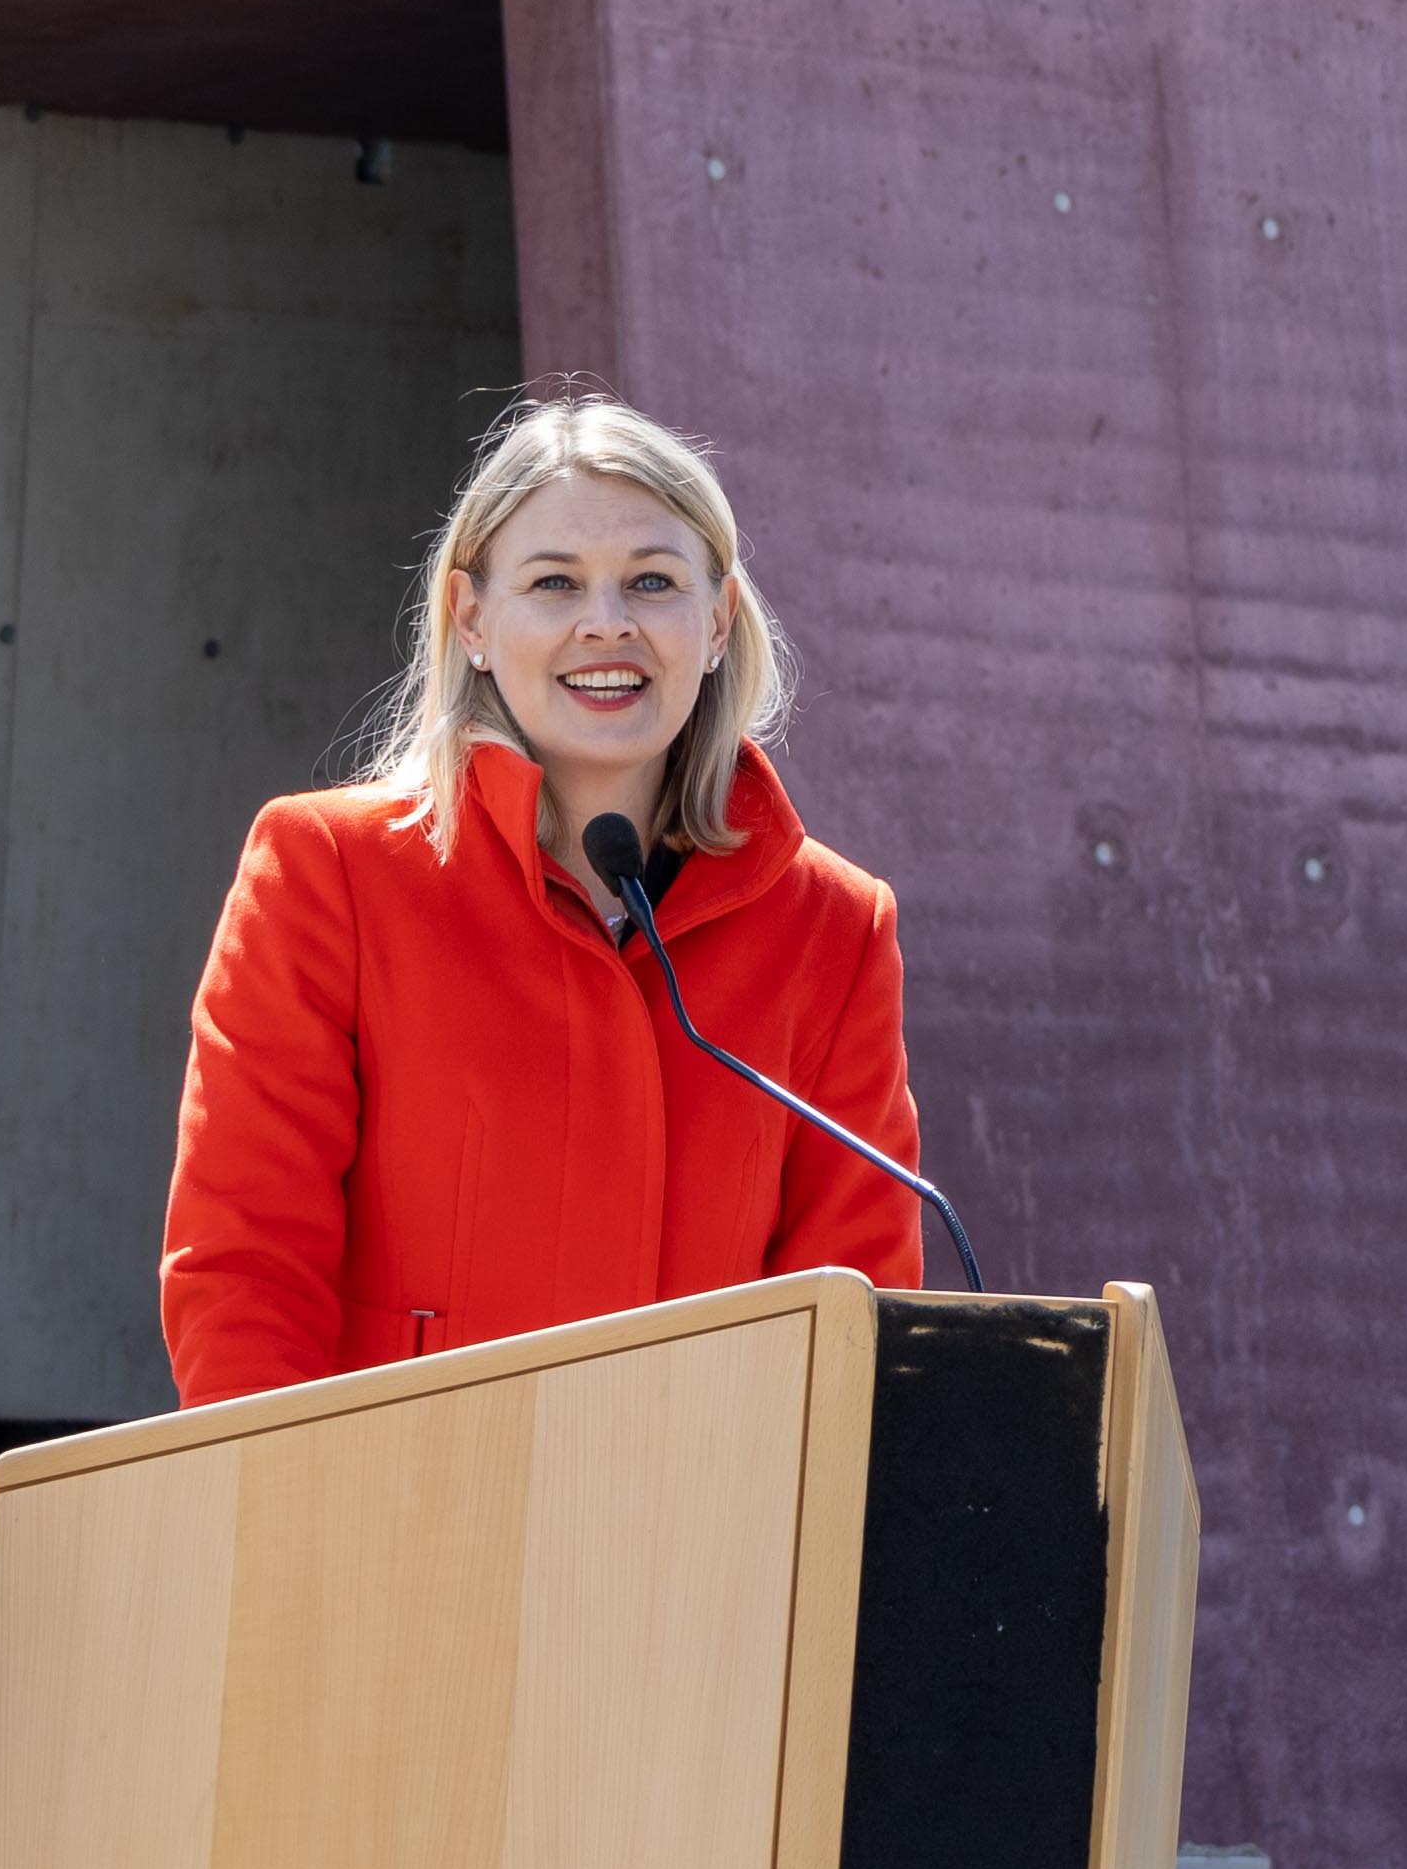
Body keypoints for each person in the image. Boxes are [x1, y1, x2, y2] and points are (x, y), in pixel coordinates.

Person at [157, 389, 925, 1407]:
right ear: (471, 618)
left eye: (652, 581)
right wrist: (303, 1542)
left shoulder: (831, 927)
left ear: (716, 619)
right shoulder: (327, 873)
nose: (605, 625)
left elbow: (853, 1313)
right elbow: (243, 1272)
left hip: (700, 1547)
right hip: (395, 1533)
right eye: (554, 583)